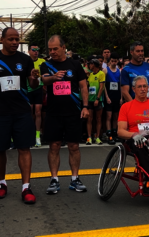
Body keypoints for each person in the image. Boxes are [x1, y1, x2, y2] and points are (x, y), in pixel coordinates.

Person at [0, 27, 40, 204]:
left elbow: (33, 85)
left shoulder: (25, 60)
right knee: (0, 149)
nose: (14, 42)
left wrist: (34, 77)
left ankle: (26, 187)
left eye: (17, 39)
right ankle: (1, 183)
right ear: (2, 40)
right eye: (11, 39)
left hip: (22, 111)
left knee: (24, 148)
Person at [40, 35, 90, 194]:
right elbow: (44, 80)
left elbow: (83, 87)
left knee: (74, 146)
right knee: (54, 146)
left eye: (55, 48)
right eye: (50, 49)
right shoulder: (46, 65)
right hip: (54, 112)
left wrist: (85, 106)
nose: (52, 52)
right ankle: (54, 179)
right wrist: (54, 77)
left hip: (73, 112)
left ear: (63, 47)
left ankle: (75, 179)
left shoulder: (75, 64)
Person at [28, 45, 46, 147]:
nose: (36, 52)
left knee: (38, 112)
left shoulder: (42, 62)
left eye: (37, 50)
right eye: (33, 50)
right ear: (29, 51)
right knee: (29, 111)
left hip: (39, 89)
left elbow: (45, 75)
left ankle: (37, 135)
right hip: (28, 89)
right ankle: (30, 133)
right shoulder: (26, 61)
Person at [103, 52, 121, 145]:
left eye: (115, 61)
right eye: (112, 61)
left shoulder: (119, 71)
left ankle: (115, 133)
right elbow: (103, 85)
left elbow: (121, 85)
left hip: (117, 96)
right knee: (109, 116)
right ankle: (109, 133)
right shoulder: (105, 70)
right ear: (110, 61)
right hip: (109, 96)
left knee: (115, 116)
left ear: (117, 61)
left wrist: (121, 97)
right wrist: (106, 96)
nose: (114, 62)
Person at [86, 59, 105, 145]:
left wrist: (97, 98)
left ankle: (97, 137)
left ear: (94, 65)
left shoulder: (101, 74)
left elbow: (101, 87)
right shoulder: (90, 75)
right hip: (90, 99)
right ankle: (89, 137)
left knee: (98, 119)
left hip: (98, 99)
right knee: (89, 119)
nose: (89, 65)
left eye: (90, 64)